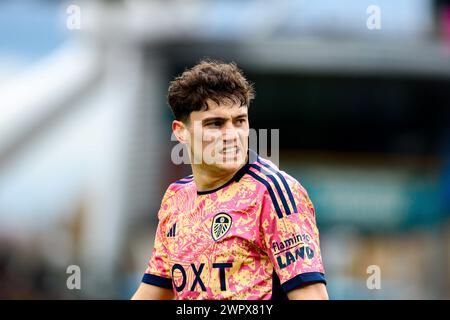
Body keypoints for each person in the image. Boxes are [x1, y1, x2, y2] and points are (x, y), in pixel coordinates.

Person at [132, 60, 328, 300]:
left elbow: (313, 296)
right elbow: (153, 293)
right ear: (180, 131)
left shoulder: (273, 192)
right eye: (215, 123)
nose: (232, 135)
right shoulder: (176, 199)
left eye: (239, 121)